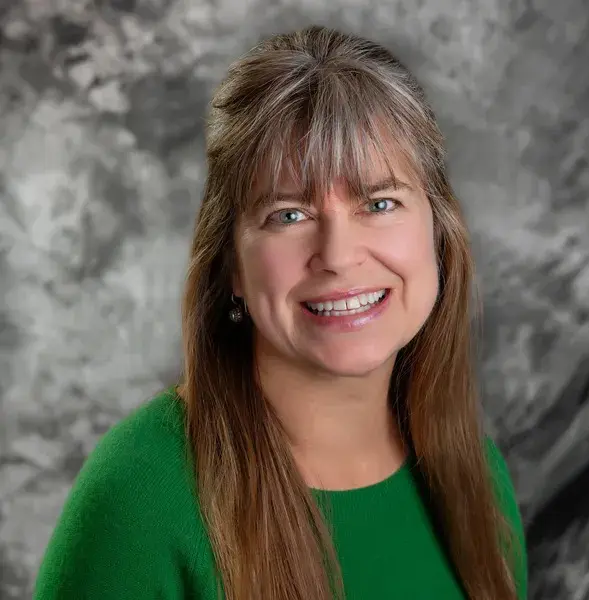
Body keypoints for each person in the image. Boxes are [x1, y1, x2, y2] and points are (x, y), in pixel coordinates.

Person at [33, 25, 527, 600]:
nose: (339, 257)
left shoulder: (476, 479)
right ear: (232, 267)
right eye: (288, 215)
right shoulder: (141, 496)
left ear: (439, 234)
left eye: (380, 202)